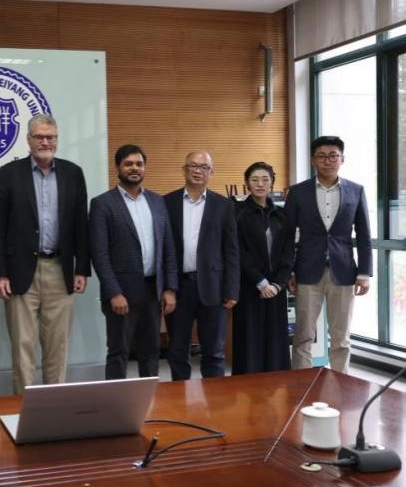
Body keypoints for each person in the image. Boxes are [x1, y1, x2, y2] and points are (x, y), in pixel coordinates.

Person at [0, 114, 90, 394]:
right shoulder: (10, 173)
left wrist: (82, 268)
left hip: (60, 269)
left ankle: (54, 408)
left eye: (51, 137)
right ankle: (23, 409)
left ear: (57, 139)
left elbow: (81, 224)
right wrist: (0, 273)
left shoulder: (73, 173)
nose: (46, 142)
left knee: (58, 346)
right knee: (23, 348)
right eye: (40, 137)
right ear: (29, 140)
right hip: (20, 272)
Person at [89, 144, 178, 379]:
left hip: (153, 290)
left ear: (145, 168)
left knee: (151, 351)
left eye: (139, 164)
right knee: (119, 352)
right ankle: (115, 400)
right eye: (128, 164)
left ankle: (149, 397)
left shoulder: (157, 201)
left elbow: (168, 248)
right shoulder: (102, 204)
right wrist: (114, 293)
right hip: (122, 294)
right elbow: (99, 254)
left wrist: (170, 288)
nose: (134, 168)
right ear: (118, 168)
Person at [285, 136, 372, 374]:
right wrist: (289, 270)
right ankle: (301, 383)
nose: (328, 161)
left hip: (344, 272)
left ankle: (342, 383)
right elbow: (287, 235)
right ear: (313, 160)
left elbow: (364, 235)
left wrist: (364, 273)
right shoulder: (298, 192)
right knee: (303, 334)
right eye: (322, 156)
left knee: (341, 336)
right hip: (306, 271)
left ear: (342, 159)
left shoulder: (356, 191)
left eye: (333, 155)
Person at [164, 151, 239, 380]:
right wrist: (166, 287)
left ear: (211, 172)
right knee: (178, 350)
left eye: (204, 167)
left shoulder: (223, 205)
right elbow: (163, 249)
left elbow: (231, 250)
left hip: (214, 288)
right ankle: (179, 397)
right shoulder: (166, 202)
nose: (198, 171)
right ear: (184, 169)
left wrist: (231, 289)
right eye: (193, 166)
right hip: (179, 287)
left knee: (214, 352)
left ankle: (215, 400)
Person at [232, 162, 294, 374]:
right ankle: (249, 386)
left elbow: (288, 252)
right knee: (250, 341)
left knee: (276, 341)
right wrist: (260, 281)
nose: (260, 184)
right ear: (247, 183)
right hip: (249, 286)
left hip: (276, 289)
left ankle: (276, 386)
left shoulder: (282, 215)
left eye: (265, 179)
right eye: (255, 179)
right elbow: (239, 251)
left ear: (272, 183)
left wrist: (277, 284)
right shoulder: (237, 212)